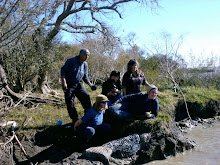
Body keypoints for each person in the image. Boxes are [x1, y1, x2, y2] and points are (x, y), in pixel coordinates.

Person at [61, 49, 96, 124]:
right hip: (68, 84)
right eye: (85, 54)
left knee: (86, 96)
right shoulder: (71, 61)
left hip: (77, 84)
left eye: (88, 55)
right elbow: (63, 71)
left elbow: (85, 77)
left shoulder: (85, 64)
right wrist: (64, 83)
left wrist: (91, 85)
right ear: (80, 54)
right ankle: (75, 119)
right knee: (70, 102)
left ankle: (87, 117)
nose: (87, 56)